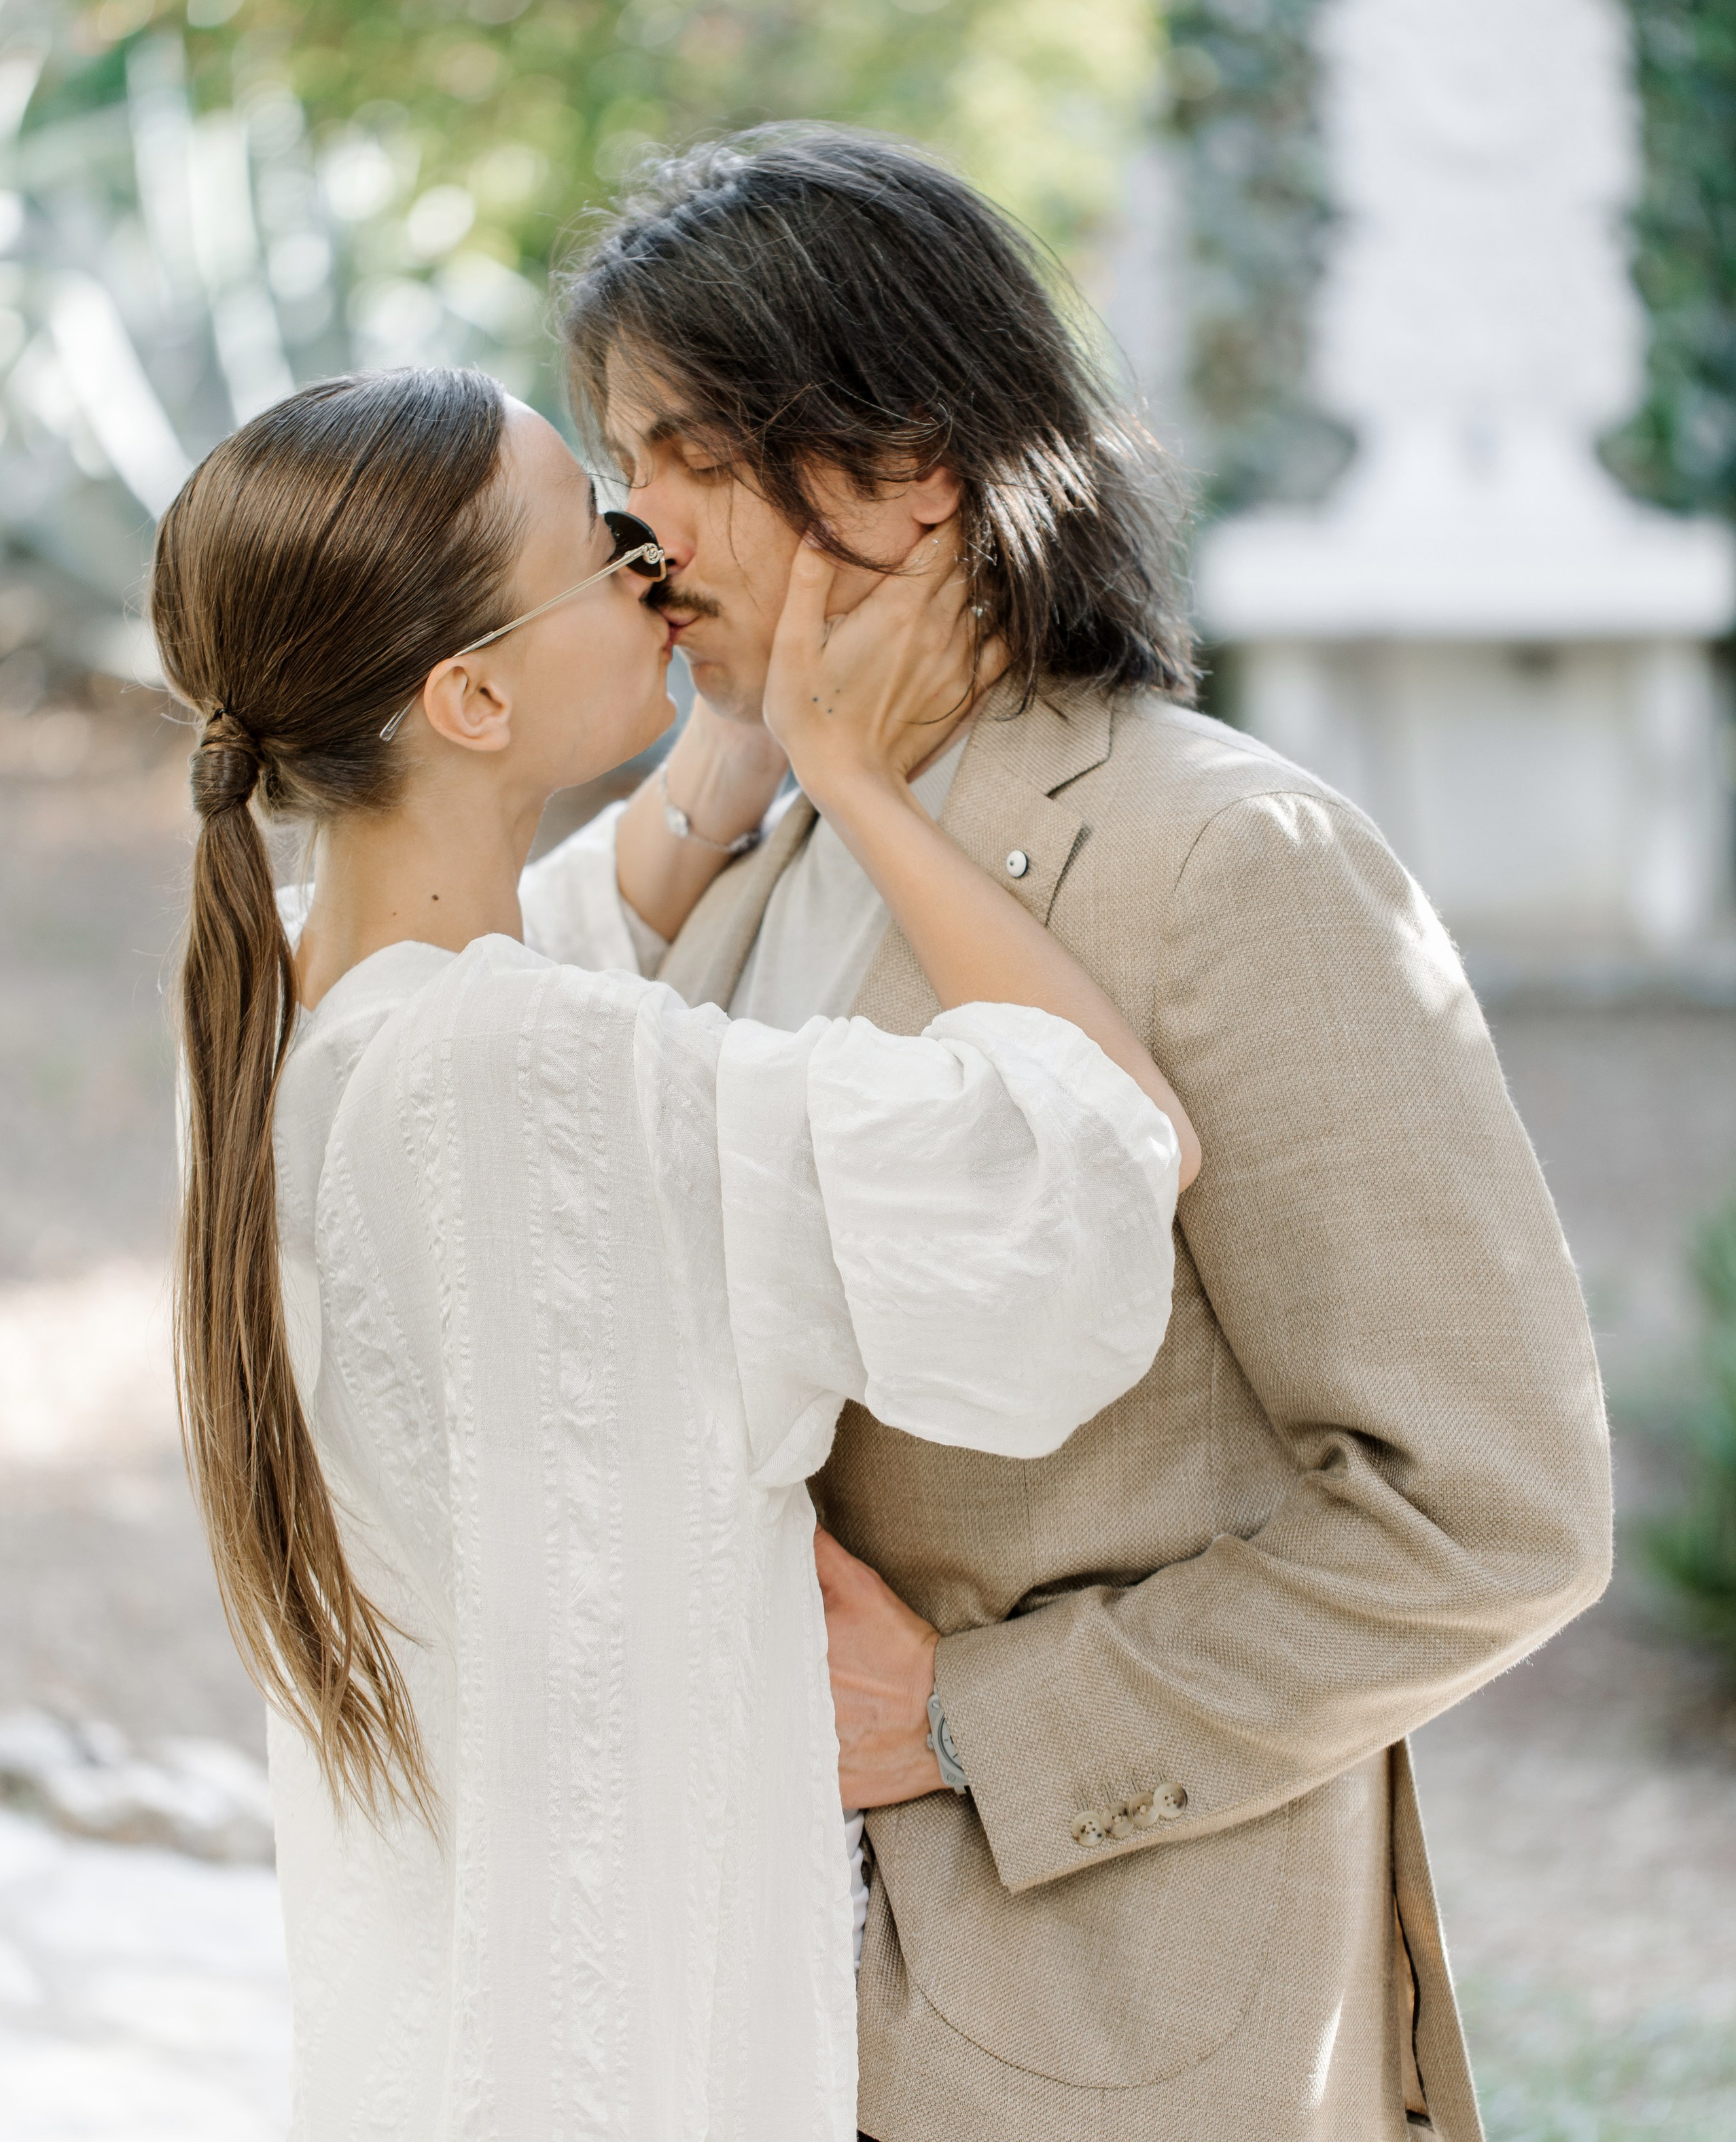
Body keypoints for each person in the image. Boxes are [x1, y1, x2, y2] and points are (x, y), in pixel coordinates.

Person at [554, 125, 1615, 2142]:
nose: (638, 525)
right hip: (765, 1997)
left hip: (1105, 2025)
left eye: (696, 453)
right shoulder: (780, 851)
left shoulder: (1224, 858)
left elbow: (1495, 1509)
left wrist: (966, 1720)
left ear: (911, 467)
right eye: (625, 455)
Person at [149, 364, 1202, 2142]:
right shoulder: (536, 1077)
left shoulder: (279, 1020)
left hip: (445, 2012)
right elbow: (1101, 1149)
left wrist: (736, 749)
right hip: (628, 2038)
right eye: (600, 536)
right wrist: (862, 784)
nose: (653, 562)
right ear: (471, 693)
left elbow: (554, 957)